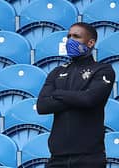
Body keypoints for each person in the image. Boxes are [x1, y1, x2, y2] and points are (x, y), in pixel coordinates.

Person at [37, 22, 115, 168]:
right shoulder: (57, 72)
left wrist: (57, 93)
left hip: (89, 158)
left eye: (76, 36)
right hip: (57, 158)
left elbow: (89, 99)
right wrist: (78, 97)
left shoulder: (103, 70)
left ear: (90, 42)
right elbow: (42, 106)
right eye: (68, 36)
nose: (70, 40)